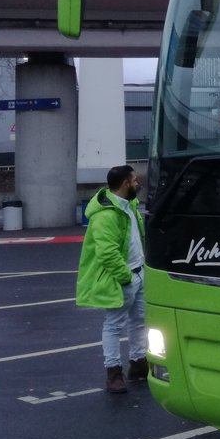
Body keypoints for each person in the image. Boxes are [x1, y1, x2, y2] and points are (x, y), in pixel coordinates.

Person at [75, 164, 147, 394]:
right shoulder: (105, 215)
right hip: (124, 277)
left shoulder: (129, 205)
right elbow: (107, 252)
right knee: (114, 325)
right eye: (135, 180)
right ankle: (113, 373)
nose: (138, 184)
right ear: (125, 184)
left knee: (139, 322)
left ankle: (138, 364)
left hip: (139, 272)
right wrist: (125, 277)